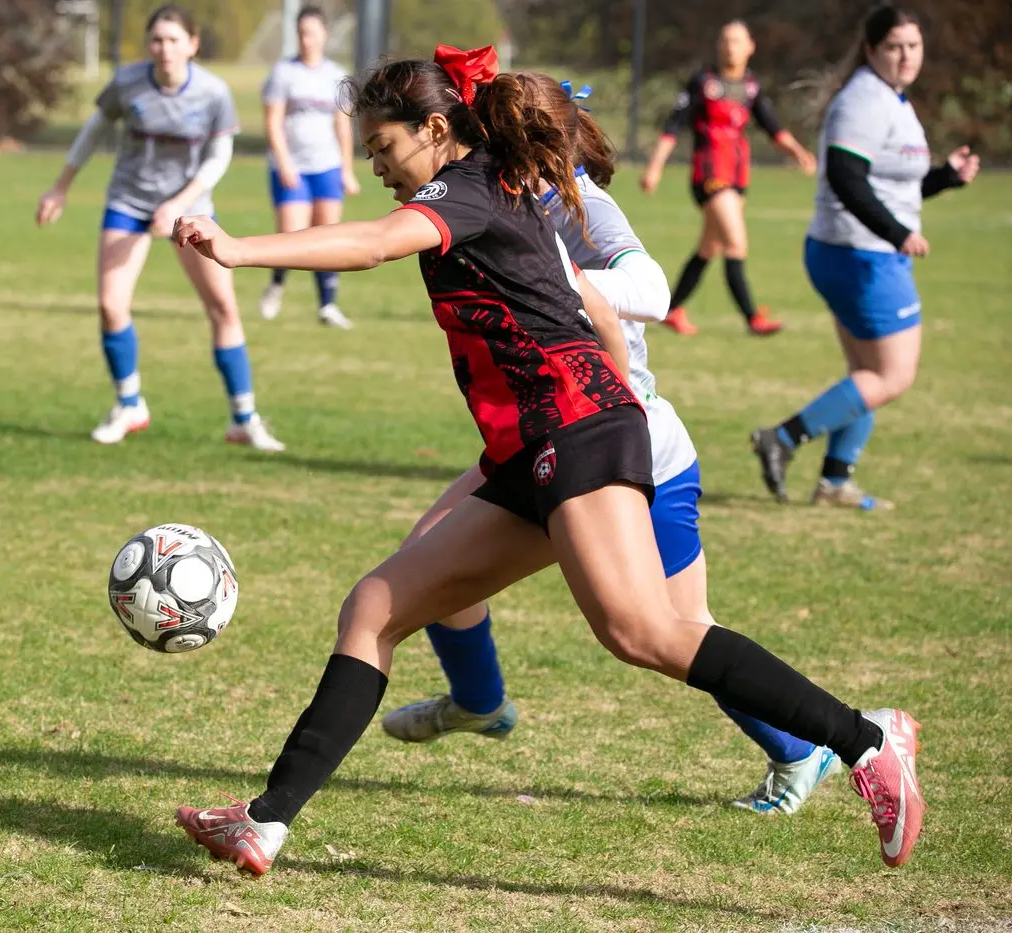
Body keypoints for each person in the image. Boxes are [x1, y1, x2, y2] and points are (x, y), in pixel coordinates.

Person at [169, 45, 924, 876]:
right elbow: (586, 307)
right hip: (543, 438)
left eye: (382, 148)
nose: (375, 165)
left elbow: (372, 244)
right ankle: (265, 821)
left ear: (431, 128)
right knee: (376, 606)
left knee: (643, 630)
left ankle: (866, 739)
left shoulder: (457, 191)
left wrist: (239, 250)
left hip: (571, 430)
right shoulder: (494, 174)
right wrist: (616, 394)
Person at [381, 72, 839, 816]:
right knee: (425, 560)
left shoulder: (579, 203)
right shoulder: (498, 193)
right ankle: (479, 701)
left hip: (627, 442)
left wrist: (552, 280)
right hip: (556, 430)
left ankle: (815, 744)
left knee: (669, 631)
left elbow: (653, 290)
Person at [751, 6, 978, 510]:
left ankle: (834, 481)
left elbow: (892, 180)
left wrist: (947, 176)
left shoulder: (892, 100)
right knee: (892, 376)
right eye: (895, 46)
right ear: (872, 48)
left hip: (854, 251)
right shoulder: (865, 100)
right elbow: (847, 177)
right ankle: (782, 439)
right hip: (861, 254)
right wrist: (897, 233)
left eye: (913, 46)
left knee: (866, 373)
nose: (906, 56)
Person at [35, 5, 285, 451]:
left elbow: (219, 156)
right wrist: (60, 186)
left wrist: (177, 204)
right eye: (157, 40)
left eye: (173, 40)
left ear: (192, 45)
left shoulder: (212, 92)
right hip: (128, 204)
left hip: (190, 212)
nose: (164, 48)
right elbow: (94, 129)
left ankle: (243, 419)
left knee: (223, 308)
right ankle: (130, 405)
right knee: (111, 305)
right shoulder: (129, 82)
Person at [640, 20, 816, 337]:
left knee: (709, 247)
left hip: (737, 175)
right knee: (735, 243)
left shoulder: (750, 86)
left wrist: (799, 152)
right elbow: (673, 127)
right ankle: (752, 318)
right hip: (710, 175)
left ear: (750, 47)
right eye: (724, 40)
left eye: (736, 41)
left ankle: (672, 309)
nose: (729, 46)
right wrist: (655, 167)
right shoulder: (703, 82)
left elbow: (773, 127)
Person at [258, 5, 361, 329]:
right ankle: (276, 284)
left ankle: (327, 305)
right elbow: (273, 121)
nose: (306, 39)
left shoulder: (335, 75)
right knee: (291, 234)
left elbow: (342, 126)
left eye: (312, 33)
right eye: (301, 33)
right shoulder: (284, 73)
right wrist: (285, 162)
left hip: (326, 167)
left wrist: (346, 169)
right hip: (292, 168)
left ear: (324, 35)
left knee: (326, 237)